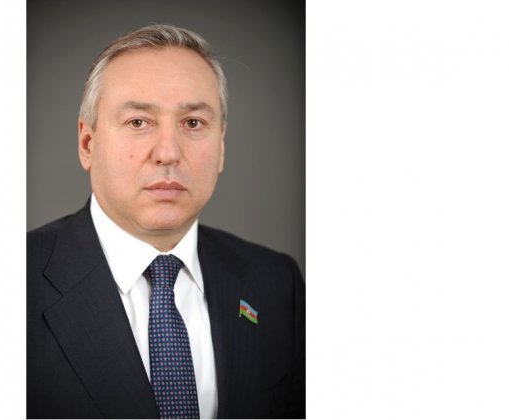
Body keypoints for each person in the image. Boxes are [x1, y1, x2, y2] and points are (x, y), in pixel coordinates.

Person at [27, 24, 305, 419]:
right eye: (138, 122)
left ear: (221, 146)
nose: (168, 153)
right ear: (87, 143)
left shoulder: (276, 281)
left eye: (193, 123)